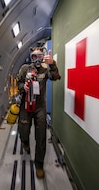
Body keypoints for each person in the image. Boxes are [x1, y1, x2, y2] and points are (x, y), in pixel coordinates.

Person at [16, 46, 61, 178]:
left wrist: (53, 64)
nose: (37, 59)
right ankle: (25, 142)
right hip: (26, 105)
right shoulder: (25, 69)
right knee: (23, 130)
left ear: (43, 57)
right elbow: (18, 83)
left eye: (40, 56)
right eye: (34, 56)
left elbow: (55, 76)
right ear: (31, 58)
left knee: (41, 136)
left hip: (40, 107)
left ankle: (39, 165)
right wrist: (22, 87)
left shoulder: (45, 70)